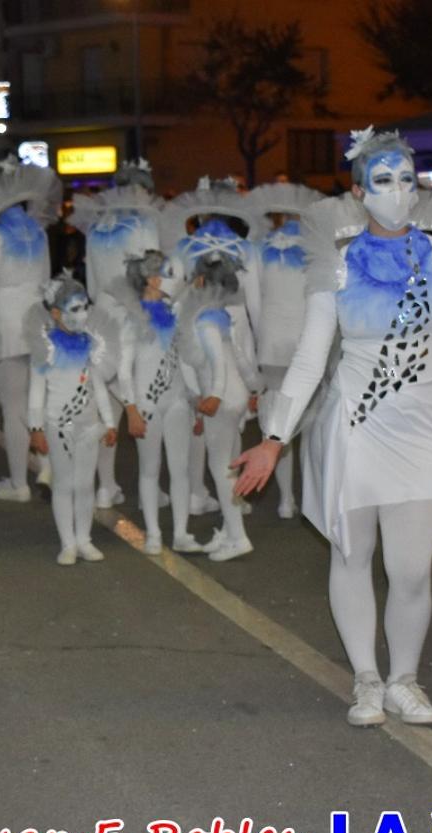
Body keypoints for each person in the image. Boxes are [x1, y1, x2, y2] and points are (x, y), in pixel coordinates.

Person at [232, 126, 432, 728]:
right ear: (358, 191)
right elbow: (309, 357)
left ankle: (406, 679)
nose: (398, 192)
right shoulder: (340, 267)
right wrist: (275, 438)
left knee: (411, 569)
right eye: (383, 181)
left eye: (407, 179)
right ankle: (367, 680)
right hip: (353, 425)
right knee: (353, 557)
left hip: (424, 431)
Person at [160, 176, 263, 517]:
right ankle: (233, 492)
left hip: (194, 325)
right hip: (236, 329)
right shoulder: (247, 248)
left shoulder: (184, 245)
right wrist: (258, 349)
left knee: (198, 412)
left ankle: (195, 491)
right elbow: (256, 305)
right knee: (231, 415)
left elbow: (167, 294)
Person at [68, 160, 164, 509]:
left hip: (102, 322)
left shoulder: (95, 228)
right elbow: (154, 278)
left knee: (107, 407)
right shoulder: (144, 224)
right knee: (143, 399)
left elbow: (92, 284)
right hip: (136, 320)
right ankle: (149, 487)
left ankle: (106, 486)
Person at [0, 155, 63, 505]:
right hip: (36, 319)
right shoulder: (37, 229)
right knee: (37, 399)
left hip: (7, 321)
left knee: (13, 407)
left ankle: (18, 482)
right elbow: (45, 280)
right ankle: (48, 463)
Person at [26, 275, 119, 565]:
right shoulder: (46, 348)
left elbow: (98, 386)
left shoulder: (91, 345)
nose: (81, 314)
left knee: (84, 484)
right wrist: (36, 428)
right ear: (56, 313)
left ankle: (85, 539)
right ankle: (68, 543)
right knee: (64, 484)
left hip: (89, 424)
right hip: (59, 424)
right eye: (73, 308)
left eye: (84, 307)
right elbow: (36, 392)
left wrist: (109, 421)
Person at [177, 250, 263, 563]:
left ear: (200, 281)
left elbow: (216, 361)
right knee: (230, 464)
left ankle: (238, 537)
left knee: (221, 469)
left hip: (222, 401)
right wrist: (255, 387)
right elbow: (239, 357)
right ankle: (229, 529)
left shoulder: (202, 320)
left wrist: (210, 395)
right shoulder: (221, 316)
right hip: (236, 397)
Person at [246, 181, 325, 518]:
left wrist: (260, 336)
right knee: (314, 424)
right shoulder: (317, 248)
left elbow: (253, 303)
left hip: (272, 346)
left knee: (277, 424)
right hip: (309, 343)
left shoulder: (258, 248)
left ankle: (286, 500)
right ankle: (313, 497)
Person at [114, 250, 201, 555]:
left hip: (177, 401)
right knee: (150, 469)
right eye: (167, 273)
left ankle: (180, 532)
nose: (174, 279)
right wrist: (132, 409)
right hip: (147, 406)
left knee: (180, 469)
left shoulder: (174, 315)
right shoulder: (132, 318)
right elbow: (123, 371)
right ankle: (153, 533)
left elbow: (184, 362)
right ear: (151, 279)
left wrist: (195, 398)